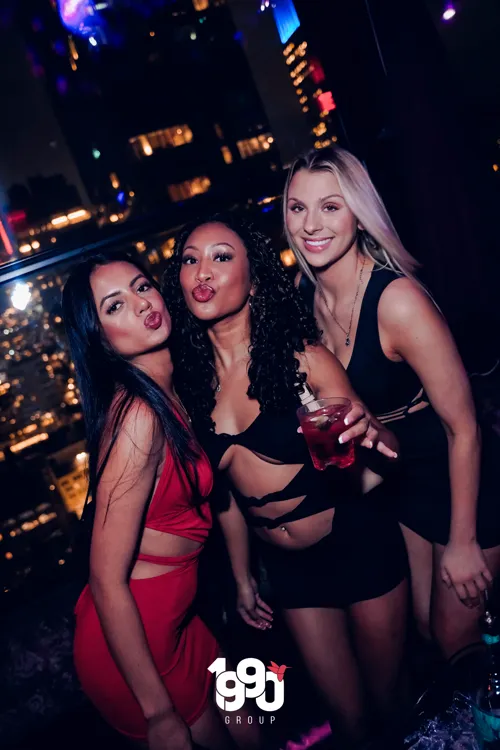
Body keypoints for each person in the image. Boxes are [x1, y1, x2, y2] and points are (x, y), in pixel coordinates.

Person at [162, 213, 409, 747]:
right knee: (348, 725)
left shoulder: (304, 360)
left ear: (254, 277)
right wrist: (245, 577)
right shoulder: (187, 388)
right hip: (289, 575)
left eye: (221, 257)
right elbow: (222, 497)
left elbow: (381, 454)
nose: (202, 270)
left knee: (390, 716)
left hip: (357, 543)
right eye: (189, 259)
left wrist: (373, 440)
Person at [283, 145, 500, 660]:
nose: (311, 224)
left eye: (331, 206)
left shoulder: (397, 300)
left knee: (456, 641)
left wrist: (465, 540)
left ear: (359, 214)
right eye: (297, 207)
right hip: (399, 480)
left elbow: (464, 428)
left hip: (460, 478)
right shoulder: (303, 294)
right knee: (427, 632)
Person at [62, 253, 259, 750]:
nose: (141, 304)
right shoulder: (137, 420)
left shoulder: (172, 391)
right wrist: (158, 714)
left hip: (184, 625)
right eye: (115, 305)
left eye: (141, 286)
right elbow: (105, 580)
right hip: (134, 650)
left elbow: (213, 498)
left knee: (254, 734)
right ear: (99, 338)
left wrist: (241, 579)